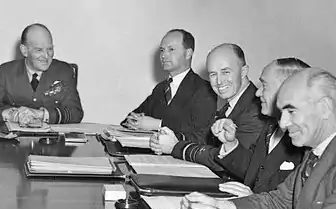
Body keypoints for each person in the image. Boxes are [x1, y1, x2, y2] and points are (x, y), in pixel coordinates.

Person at [181, 68, 336, 209]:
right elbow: (280, 203)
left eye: (291, 111)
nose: (283, 123)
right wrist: (222, 206)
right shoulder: (319, 147)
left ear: (325, 108)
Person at [151, 43, 266, 172]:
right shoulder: (233, 104)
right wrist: (172, 137)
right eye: (213, 74)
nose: (219, 81)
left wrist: (175, 147)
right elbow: (206, 137)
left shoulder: (257, 109)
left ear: (243, 71)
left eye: (226, 72)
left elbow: (228, 160)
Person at [214, 58, 309, 197]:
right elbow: (256, 172)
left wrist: (252, 200)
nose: (258, 93)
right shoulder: (271, 126)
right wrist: (231, 144)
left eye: (264, 85)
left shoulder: (304, 140)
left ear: (286, 89)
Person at [0, 23, 83, 125]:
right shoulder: (5, 72)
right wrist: (10, 114)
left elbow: (76, 113)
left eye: (49, 49)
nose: (46, 56)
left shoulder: (64, 71)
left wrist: (41, 115)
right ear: (24, 50)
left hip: (52, 141)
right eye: (39, 50)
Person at [121, 29, 216, 133]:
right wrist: (134, 121)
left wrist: (157, 124)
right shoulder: (160, 88)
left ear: (188, 53)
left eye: (171, 49)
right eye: (162, 50)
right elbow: (130, 118)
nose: (164, 55)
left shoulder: (204, 89)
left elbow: (200, 130)